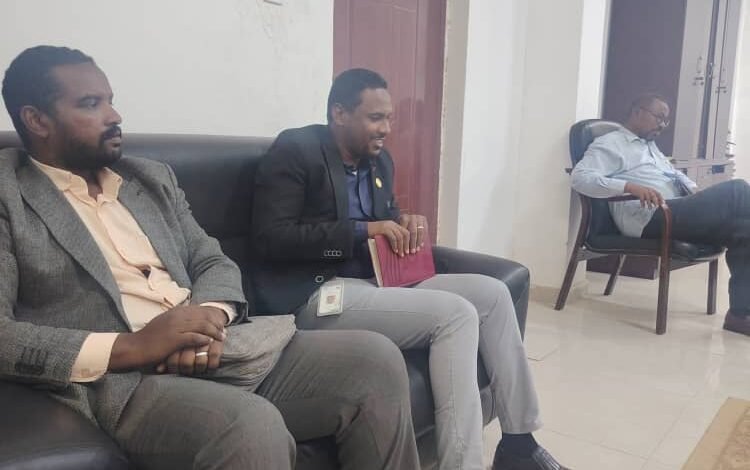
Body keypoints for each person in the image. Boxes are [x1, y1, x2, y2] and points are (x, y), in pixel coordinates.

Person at [0, 46, 421, 470]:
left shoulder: (150, 178)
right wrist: (134, 347)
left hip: (216, 345)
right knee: (249, 427)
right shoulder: (9, 195)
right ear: (37, 120)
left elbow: (212, 261)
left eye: (111, 100)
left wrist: (208, 317)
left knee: (375, 360)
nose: (115, 115)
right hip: (123, 381)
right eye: (91, 104)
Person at [252, 68, 568, 470]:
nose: (386, 129)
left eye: (389, 118)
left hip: (376, 281)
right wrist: (362, 230)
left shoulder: (379, 162)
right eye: (375, 118)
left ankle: (519, 444)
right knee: (455, 315)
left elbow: (384, 221)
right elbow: (272, 238)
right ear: (339, 113)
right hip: (317, 292)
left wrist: (403, 222)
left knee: (493, 294)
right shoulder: (297, 150)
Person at [571, 93, 750, 337]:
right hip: (648, 216)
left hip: (674, 208)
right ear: (637, 111)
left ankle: (740, 315)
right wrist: (629, 186)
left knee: (744, 230)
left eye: (666, 120)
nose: (663, 125)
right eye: (659, 117)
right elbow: (580, 178)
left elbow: (673, 175)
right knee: (738, 190)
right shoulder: (611, 143)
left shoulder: (650, 147)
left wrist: (698, 193)